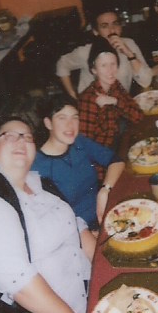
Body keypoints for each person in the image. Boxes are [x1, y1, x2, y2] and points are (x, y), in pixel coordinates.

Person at [0, 115, 93, 313]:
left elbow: (78, 230)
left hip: (88, 297)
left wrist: (109, 269)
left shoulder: (43, 186)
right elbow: (21, 286)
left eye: (27, 137)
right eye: (10, 136)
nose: (21, 141)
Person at [33, 93, 125, 230]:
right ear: (48, 123)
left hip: (106, 212)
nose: (70, 125)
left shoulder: (79, 142)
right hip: (81, 230)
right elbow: (53, 222)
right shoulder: (38, 167)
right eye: (62, 118)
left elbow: (116, 161)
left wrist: (105, 190)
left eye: (75, 117)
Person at [56, 8, 158, 99]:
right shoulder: (86, 51)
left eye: (115, 24)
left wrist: (129, 54)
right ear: (96, 32)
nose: (112, 30)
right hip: (94, 108)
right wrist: (72, 93)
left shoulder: (129, 44)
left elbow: (146, 81)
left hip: (122, 105)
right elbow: (62, 64)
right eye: (104, 26)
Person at [78, 37, 143, 151]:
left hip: (117, 141)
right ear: (94, 70)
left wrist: (115, 101)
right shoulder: (89, 99)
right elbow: (85, 146)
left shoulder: (115, 85)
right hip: (102, 153)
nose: (110, 70)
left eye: (113, 64)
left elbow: (138, 116)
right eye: (103, 65)